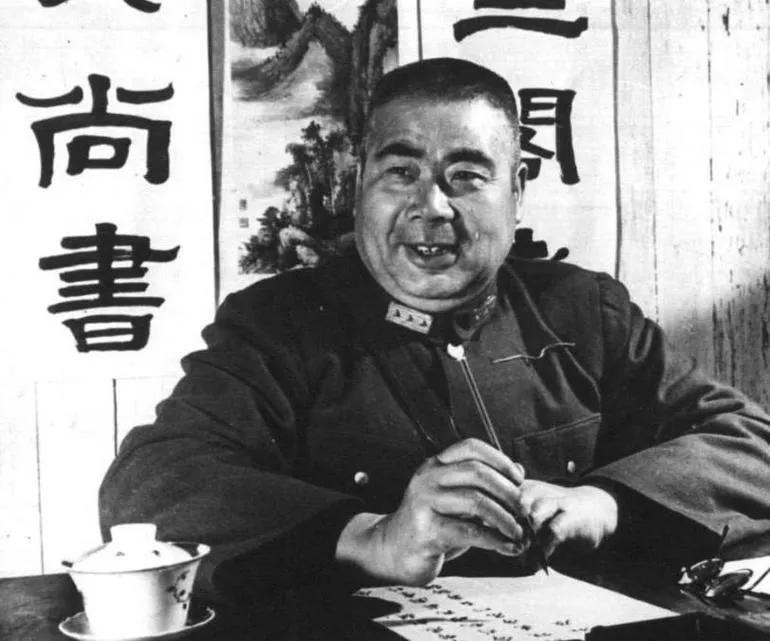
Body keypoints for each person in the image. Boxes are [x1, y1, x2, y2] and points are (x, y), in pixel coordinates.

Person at [100, 58, 770, 602]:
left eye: (466, 176)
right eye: (401, 173)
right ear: (359, 184)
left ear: (517, 189)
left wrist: (605, 503)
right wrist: (374, 537)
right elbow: (152, 483)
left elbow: (751, 443)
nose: (431, 206)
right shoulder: (279, 324)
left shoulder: (583, 310)